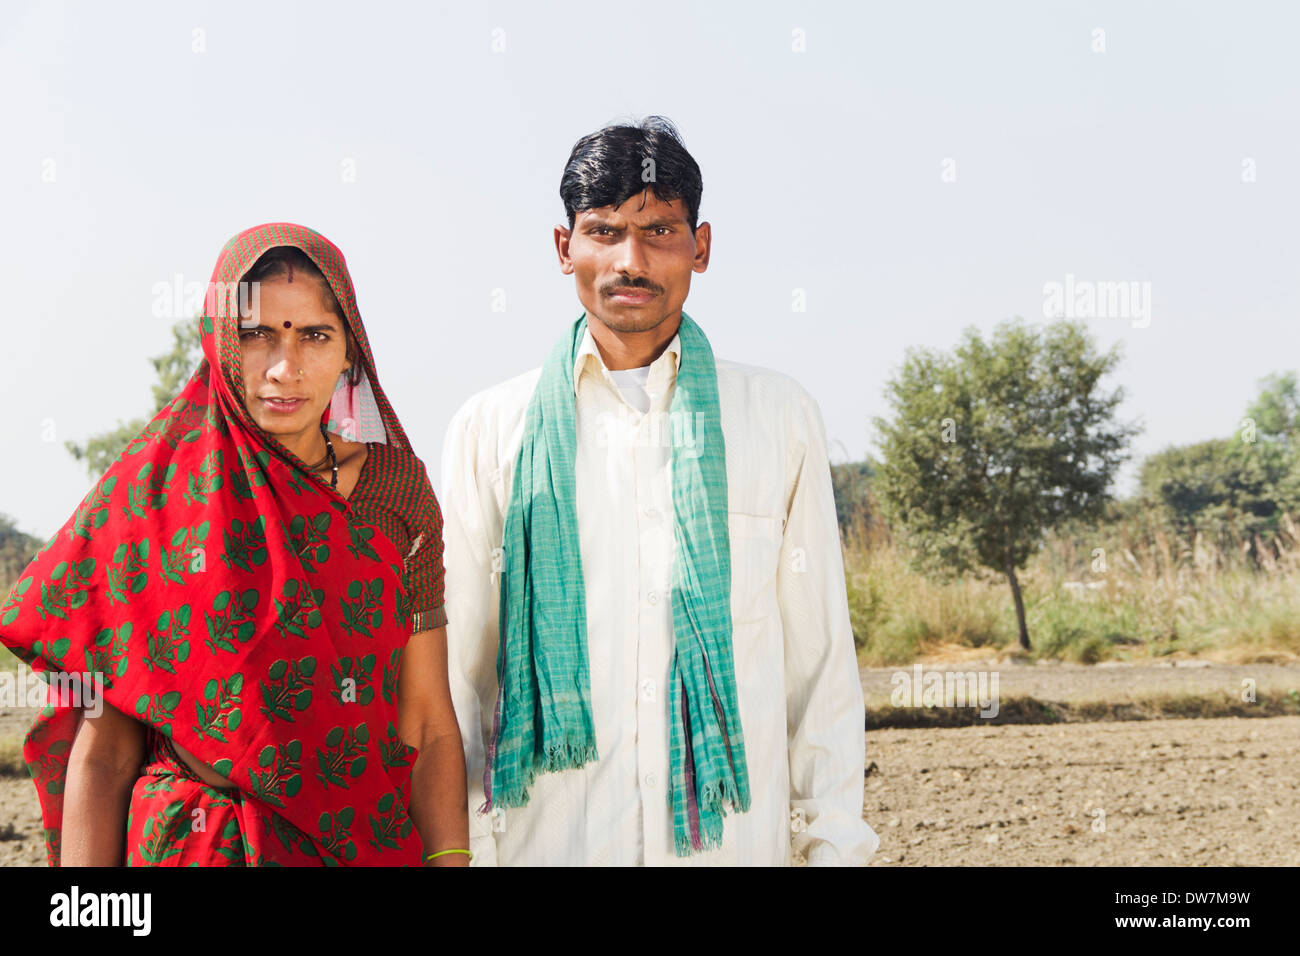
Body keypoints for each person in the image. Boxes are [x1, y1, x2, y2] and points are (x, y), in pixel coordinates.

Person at [441, 117, 880, 865]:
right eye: (604, 231)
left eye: (660, 231)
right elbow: (460, 678)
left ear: (700, 247)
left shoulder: (777, 418)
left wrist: (831, 848)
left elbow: (819, 669)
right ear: (563, 247)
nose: (630, 260)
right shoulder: (492, 430)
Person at [0, 222, 469, 866]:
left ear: (350, 352)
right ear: (220, 342)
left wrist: (450, 860)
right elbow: (105, 752)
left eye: (315, 335)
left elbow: (427, 723)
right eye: (255, 336)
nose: (285, 367)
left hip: (357, 845)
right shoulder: (156, 496)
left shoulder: (396, 496)